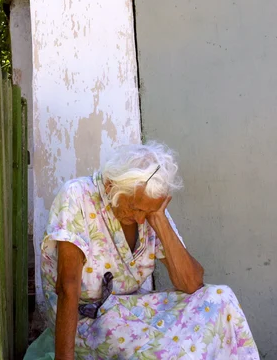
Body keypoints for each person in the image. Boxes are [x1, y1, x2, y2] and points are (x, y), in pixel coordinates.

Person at [24, 142, 259, 359]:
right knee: (173, 352)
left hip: (130, 311)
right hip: (88, 321)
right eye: (134, 208)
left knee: (221, 298)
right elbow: (68, 286)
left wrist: (158, 218)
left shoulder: (148, 209)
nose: (139, 218)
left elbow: (192, 283)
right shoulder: (77, 196)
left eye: (146, 212)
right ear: (110, 186)